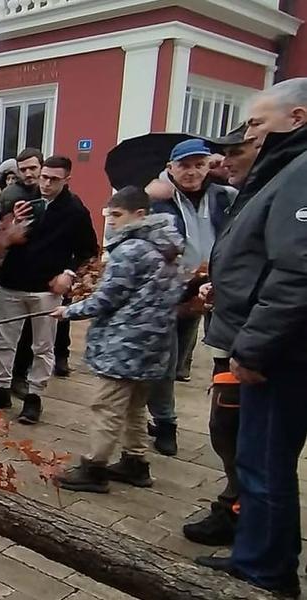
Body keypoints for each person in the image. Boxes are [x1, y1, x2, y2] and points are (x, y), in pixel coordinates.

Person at [192, 79, 307, 597]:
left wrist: (255, 347)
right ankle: (261, 556)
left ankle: (265, 573)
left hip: (280, 354)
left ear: (296, 118)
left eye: (257, 123)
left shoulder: (301, 173)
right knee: (259, 460)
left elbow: (297, 269)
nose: (249, 134)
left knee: (262, 464)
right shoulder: (284, 170)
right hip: (270, 340)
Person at [51, 188, 183, 493]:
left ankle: (94, 468)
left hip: (125, 343)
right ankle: (135, 462)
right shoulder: (169, 247)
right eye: (109, 215)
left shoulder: (132, 250)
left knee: (106, 406)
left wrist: (69, 311)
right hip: (155, 342)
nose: (111, 222)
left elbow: (107, 298)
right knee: (136, 406)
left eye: (117, 215)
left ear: (140, 215)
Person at [0, 155, 98, 424]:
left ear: (67, 179)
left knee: (42, 346)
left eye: (54, 179)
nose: (46, 183)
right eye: (44, 177)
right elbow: (1, 238)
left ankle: (34, 396)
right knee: (4, 341)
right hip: (12, 282)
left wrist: (68, 274)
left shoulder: (75, 210)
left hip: (46, 288)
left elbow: (89, 251)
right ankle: (1, 389)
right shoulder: (23, 200)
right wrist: (11, 223)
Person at [181, 124, 257, 547]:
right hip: (231, 329)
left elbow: (286, 273)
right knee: (225, 425)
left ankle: (244, 518)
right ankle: (235, 503)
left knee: (237, 429)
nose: (222, 162)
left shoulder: (254, 196)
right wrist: (220, 283)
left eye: (236, 152)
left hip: (252, 342)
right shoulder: (243, 194)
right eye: (220, 155)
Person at [141, 138, 238, 456]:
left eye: (199, 164)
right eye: (184, 165)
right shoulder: (158, 198)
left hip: (214, 287)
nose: (192, 171)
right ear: (171, 167)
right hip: (169, 290)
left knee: (184, 357)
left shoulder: (225, 195)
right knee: (164, 364)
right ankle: (165, 422)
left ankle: (222, 423)